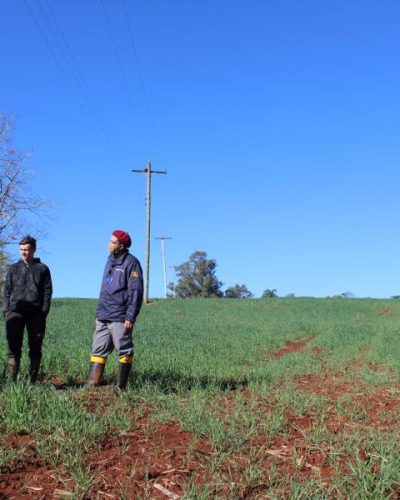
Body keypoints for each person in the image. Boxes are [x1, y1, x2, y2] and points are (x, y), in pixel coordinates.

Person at [87, 229, 143, 390]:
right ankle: (92, 384)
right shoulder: (109, 261)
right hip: (103, 314)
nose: (109, 244)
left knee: (124, 350)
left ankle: (121, 387)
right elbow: (104, 289)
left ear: (121, 246)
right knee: (97, 349)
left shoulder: (132, 262)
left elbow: (135, 291)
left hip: (120, 316)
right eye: (110, 241)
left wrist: (130, 316)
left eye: (113, 242)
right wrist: (99, 313)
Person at [3, 235, 53, 382]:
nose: (23, 252)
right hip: (15, 312)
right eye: (21, 249)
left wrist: (43, 311)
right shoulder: (13, 268)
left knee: (36, 346)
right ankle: (12, 381)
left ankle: (33, 380)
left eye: (26, 249)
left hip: (36, 313)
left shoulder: (42, 268)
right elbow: (6, 290)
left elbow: (48, 291)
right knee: (13, 347)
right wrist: (6, 311)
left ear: (33, 250)